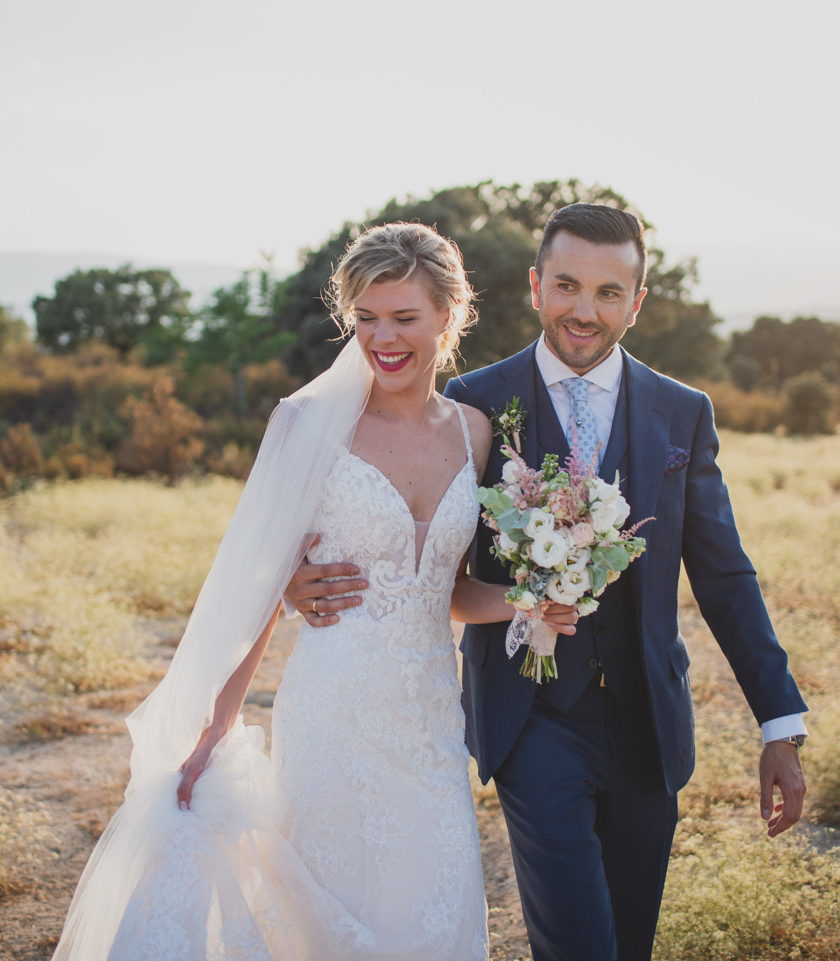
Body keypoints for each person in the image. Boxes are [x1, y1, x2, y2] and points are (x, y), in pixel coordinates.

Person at [287, 203, 809, 961]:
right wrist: (298, 577)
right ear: (535, 286)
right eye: (566, 285)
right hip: (531, 718)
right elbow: (415, 545)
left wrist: (778, 723)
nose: (583, 310)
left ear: (637, 301)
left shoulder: (682, 414)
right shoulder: (468, 406)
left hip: (648, 728)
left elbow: (725, 574)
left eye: (607, 292)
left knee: (628, 943)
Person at [52, 222, 575, 961]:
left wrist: (529, 601)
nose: (382, 338)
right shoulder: (307, 424)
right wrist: (213, 730)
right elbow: (255, 593)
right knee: (336, 919)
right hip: (334, 716)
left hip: (430, 723)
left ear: (450, 316)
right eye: (364, 318)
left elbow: (450, 590)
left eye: (403, 317)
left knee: (438, 916)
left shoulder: (475, 432)